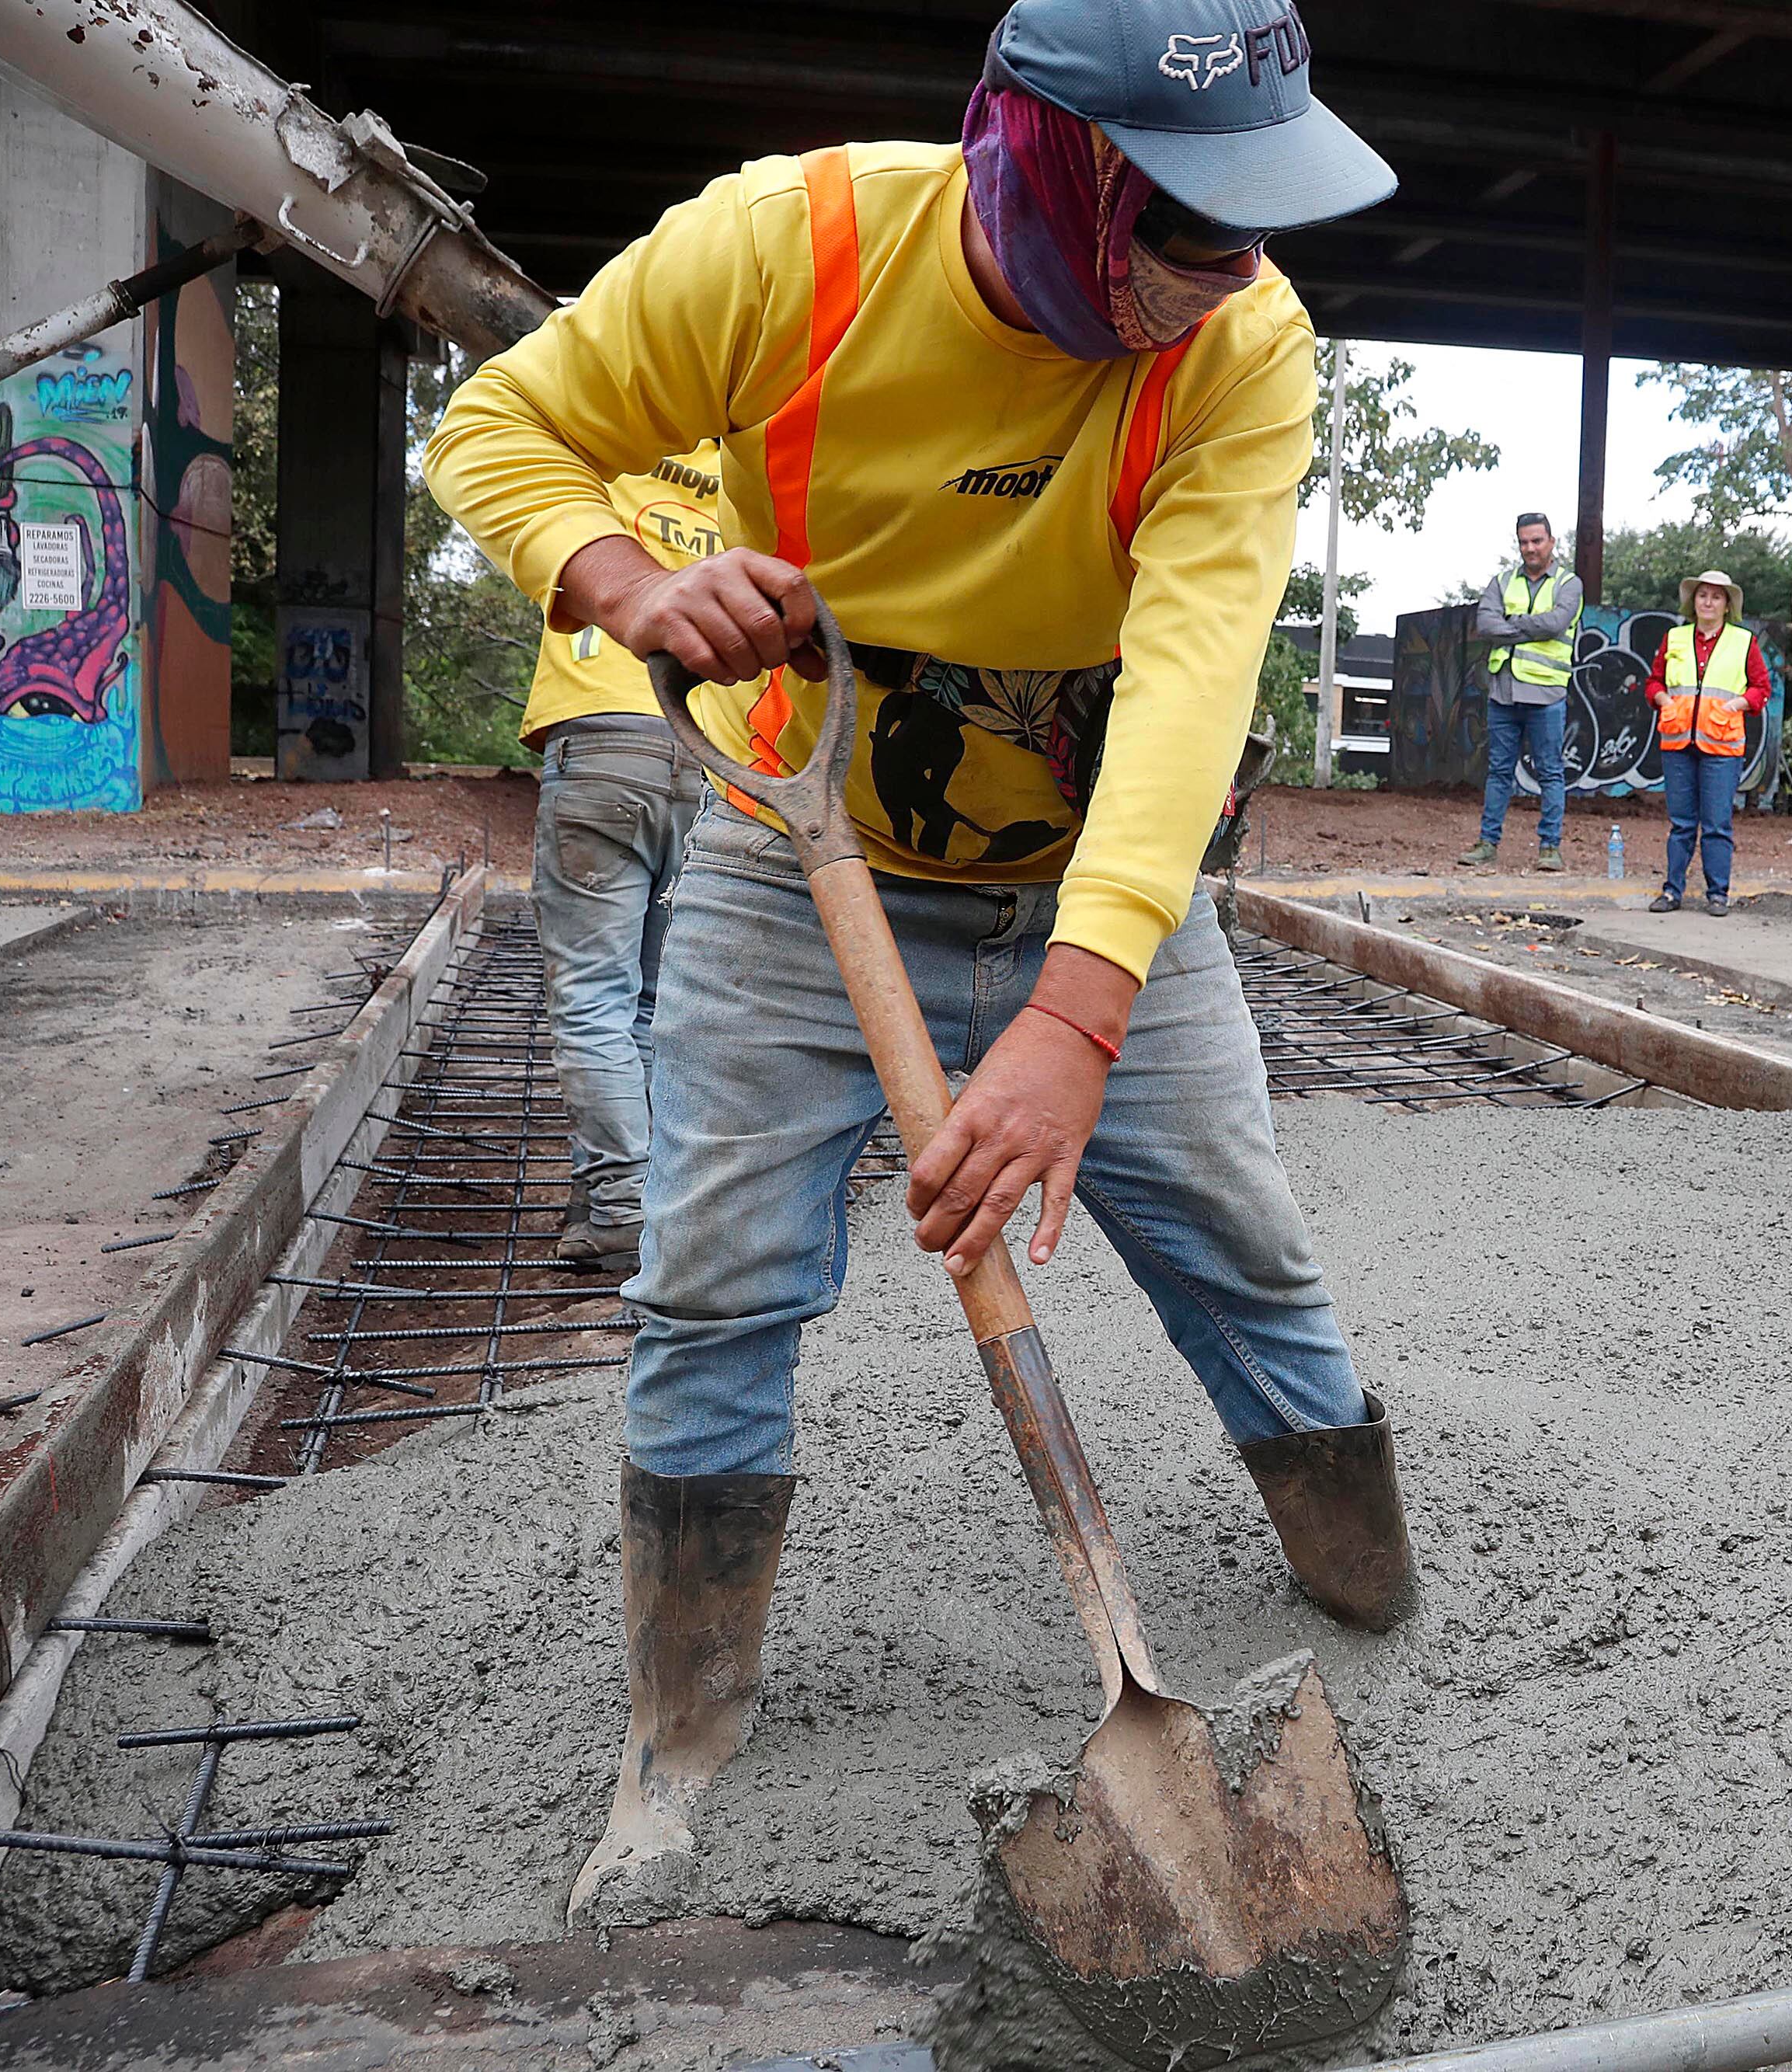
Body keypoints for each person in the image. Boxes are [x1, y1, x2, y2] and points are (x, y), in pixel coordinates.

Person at [426, 0, 1418, 1927]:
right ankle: (682, 1721)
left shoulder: (1246, 343)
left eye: (1255, 227)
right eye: (1186, 223)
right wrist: (626, 581)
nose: (1226, 272)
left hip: (1097, 894)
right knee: (708, 1281)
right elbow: (501, 426)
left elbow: (1197, 676)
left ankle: (1365, 1588)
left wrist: (1077, 1008)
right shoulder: (785, 250)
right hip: (793, 876)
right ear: (1047, 161)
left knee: (1251, 1246)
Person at [521, 447, 722, 1273]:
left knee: (592, 1000)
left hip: (601, 745)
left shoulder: (602, 445)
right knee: (646, 1002)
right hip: (708, 758)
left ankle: (616, 1209)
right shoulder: (738, 477)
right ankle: (626, 1194)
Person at [1456, 510, 1579, 872]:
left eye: (1537, 541)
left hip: (1546, 694)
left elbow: (1557, 623)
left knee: (1551, 772)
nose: (1530, 548)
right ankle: (1487, 842)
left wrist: (1511, 624)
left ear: (1551, 543)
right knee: (1498, 772)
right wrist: (1530, 627)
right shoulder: (1502, 580)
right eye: (1524, 542)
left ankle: (1550, 849)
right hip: (1504, 692)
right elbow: (1486, 625)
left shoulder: (1569, 584)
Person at [1649, 569, 1767, 916]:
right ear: (1693, 601)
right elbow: (1654, 682)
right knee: (1681, 823)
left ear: (1727, 604)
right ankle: (1672, 892)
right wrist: (1663, 700)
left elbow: (1761, 689)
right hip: (1677, 742)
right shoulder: (1674, 638)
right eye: (1703, 595)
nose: (1708, 602)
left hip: (1722, 744)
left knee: (1717, 824)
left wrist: (1739, 703)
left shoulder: (1744, 641)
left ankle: (1718, 894)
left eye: (1717, 596)